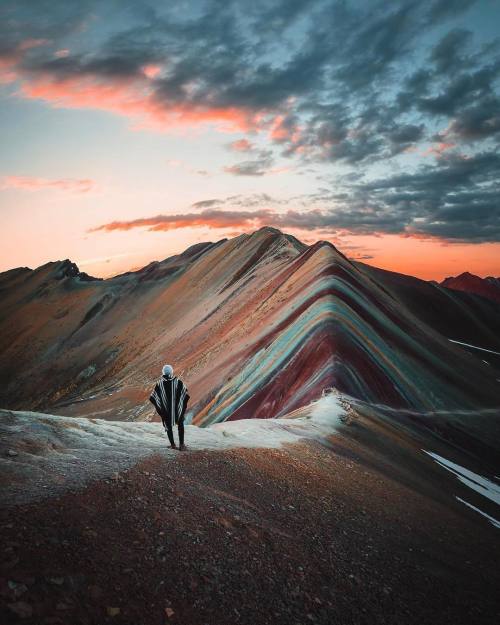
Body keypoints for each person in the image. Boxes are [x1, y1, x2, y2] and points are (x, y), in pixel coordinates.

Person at [149, 364, 190, 450]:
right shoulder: (178, 382)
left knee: (168, 426)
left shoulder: (159, 384)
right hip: (177, 410)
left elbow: (152, 398)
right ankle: (182, 445)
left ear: (163, 372)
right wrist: (182, 407)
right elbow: (185, 396)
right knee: (180, 425)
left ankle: (173, 445)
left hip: (166, 411)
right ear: (171, 371)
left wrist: (160, 409)